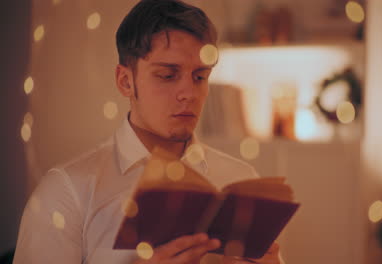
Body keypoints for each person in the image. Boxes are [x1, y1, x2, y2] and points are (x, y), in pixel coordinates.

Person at [13, 0, 282, 263]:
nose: (189, 93)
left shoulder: (241, 181)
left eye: (200, 76)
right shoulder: (67, 192)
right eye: (167, 75)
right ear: (125, 81)